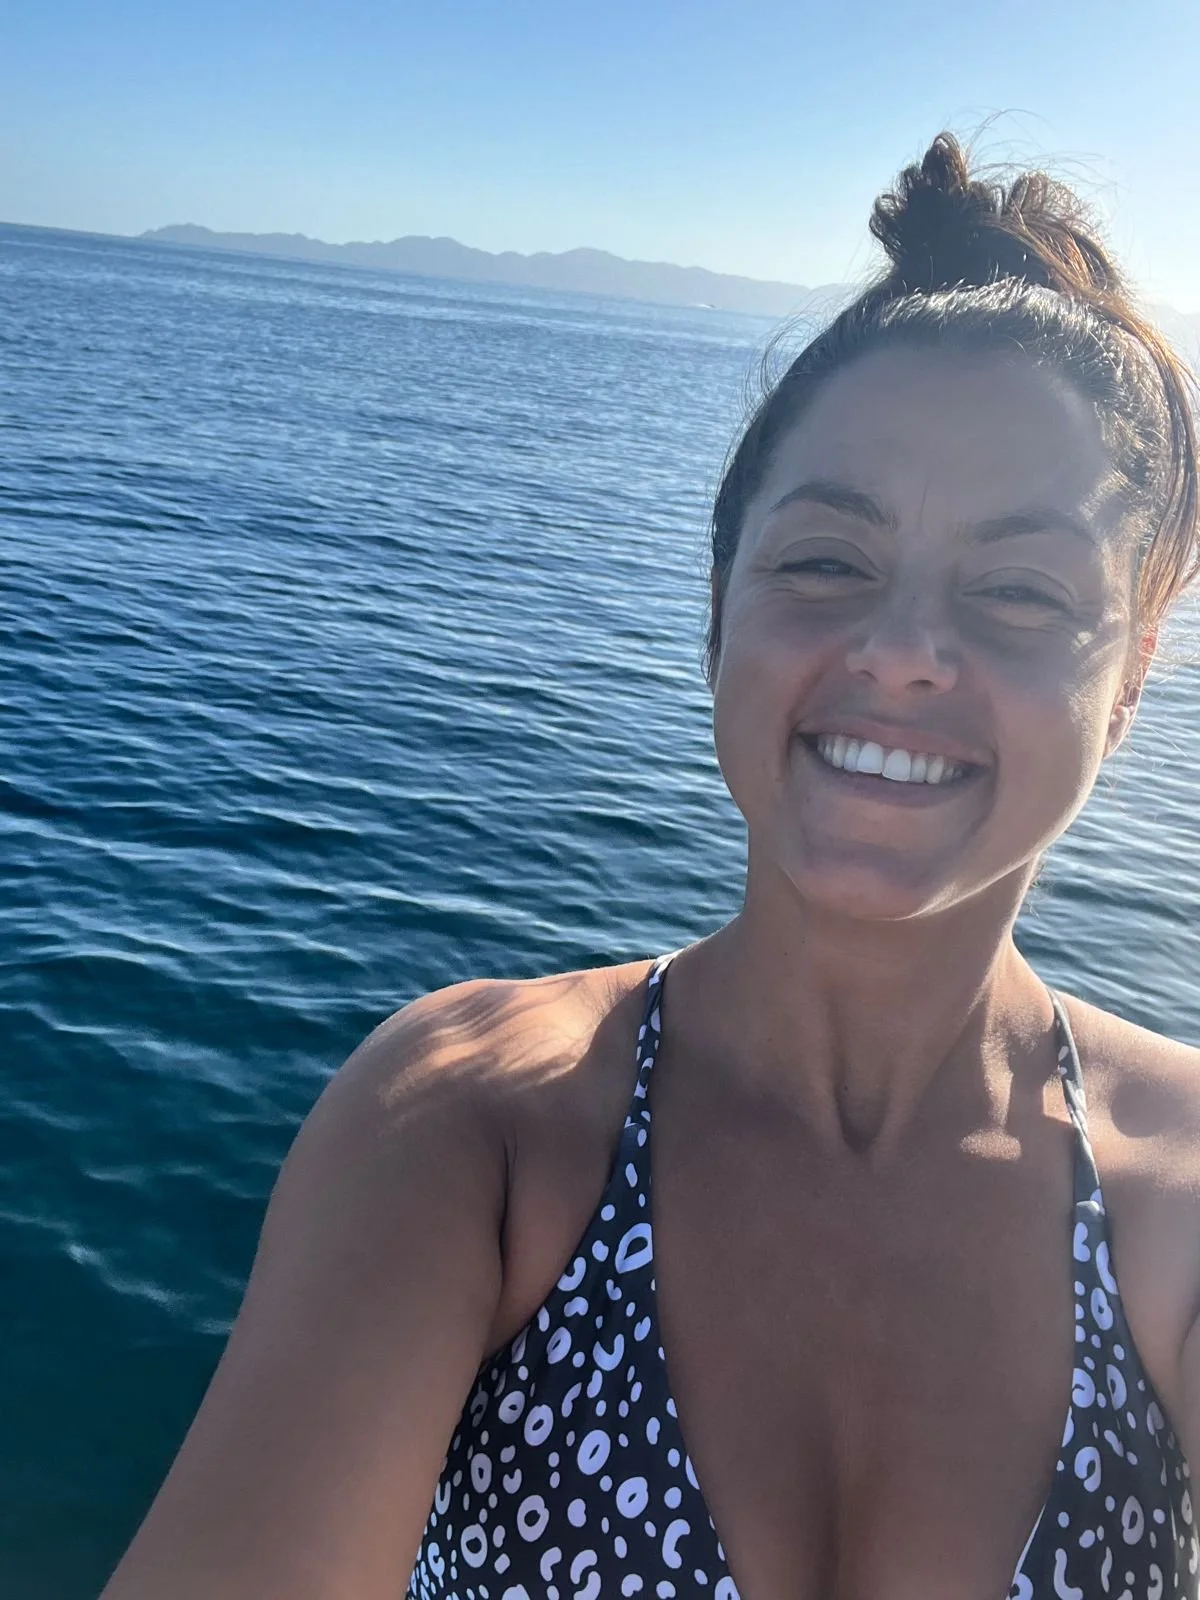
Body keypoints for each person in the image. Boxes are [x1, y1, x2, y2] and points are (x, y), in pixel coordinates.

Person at [101, 132, 1200, 1600]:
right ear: (718, 607)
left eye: (1016, 590)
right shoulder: (472, 1133)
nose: (901, 655)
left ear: (1127, 678)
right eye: (825, 562)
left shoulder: (1180, 1201)